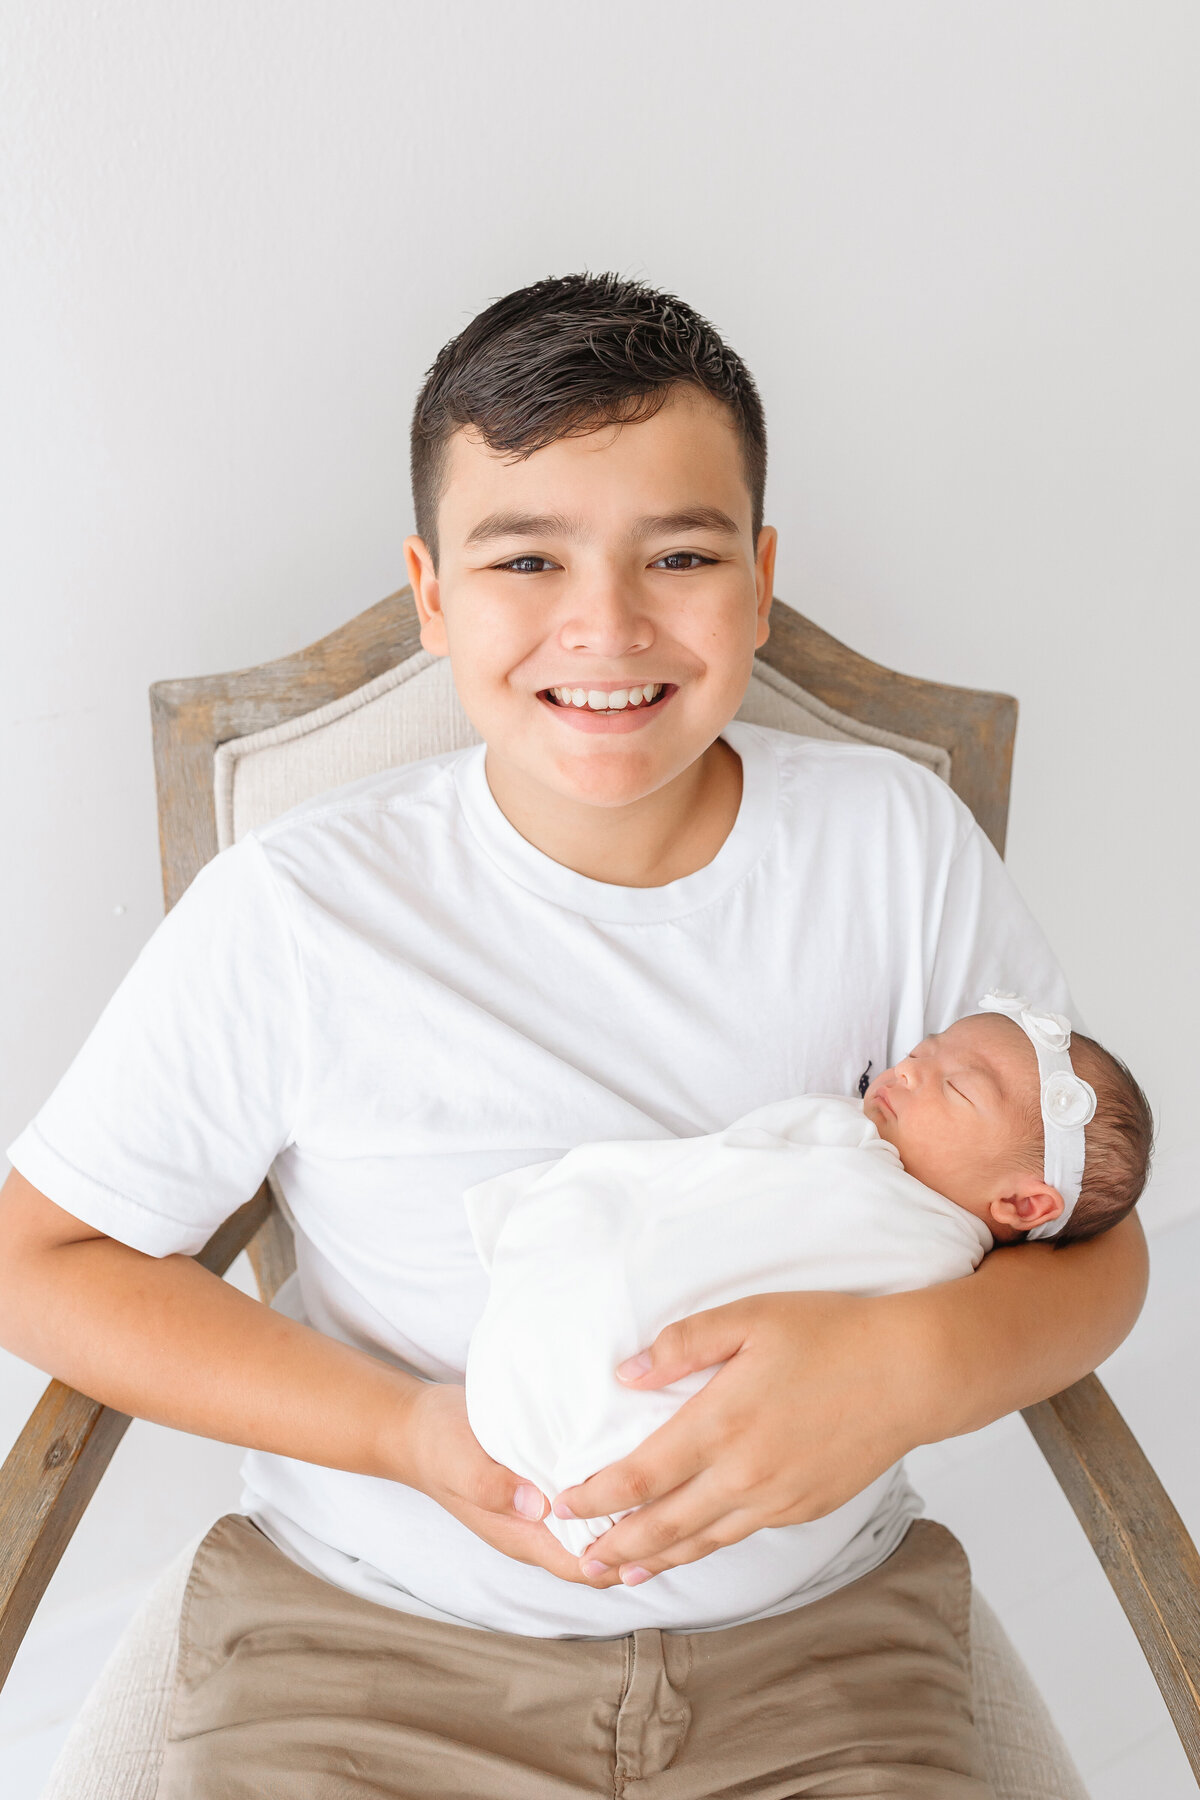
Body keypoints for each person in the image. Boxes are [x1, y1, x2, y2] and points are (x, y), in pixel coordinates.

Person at [0, 275, 1148, 1796]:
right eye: (525, 556)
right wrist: (409, 1433)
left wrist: (909, 1362)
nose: (604, 626)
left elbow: (1091, 1243)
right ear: (431, 595)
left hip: (819, 1652)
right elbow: (43, 1258)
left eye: (680, 553)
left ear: (758, 578)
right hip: (373, 1647)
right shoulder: (293, 909)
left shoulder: (893, 847)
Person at [464, 997, 1153, 1626]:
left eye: (957, 1086)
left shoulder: (934, 1264)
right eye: (929, 1046)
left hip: (774, 1560)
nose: (912, 1066)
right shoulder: (849, 1141)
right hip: (517, 1478)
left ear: (1023, 1206)